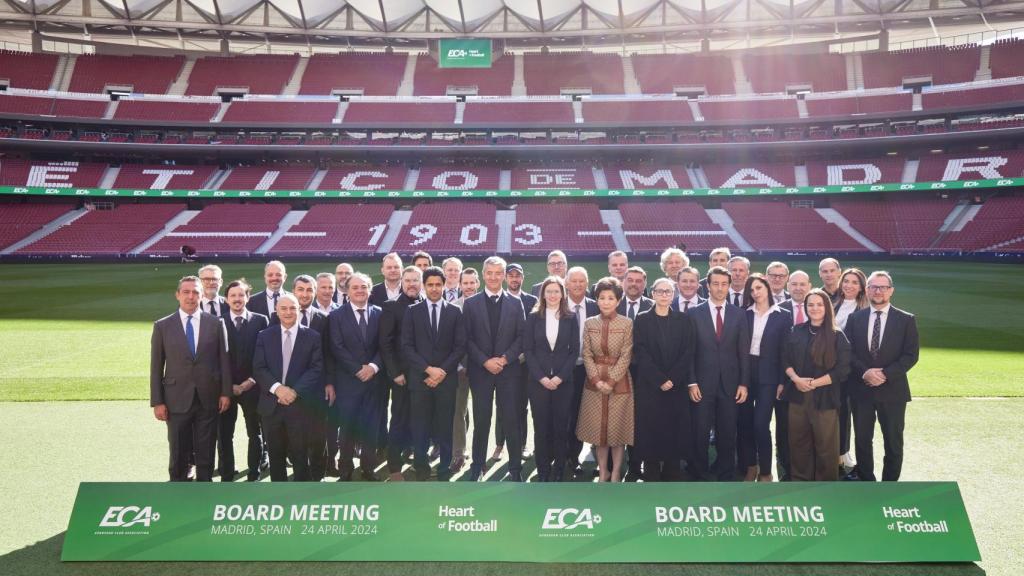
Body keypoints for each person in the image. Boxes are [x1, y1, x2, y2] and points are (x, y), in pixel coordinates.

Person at [150, 276, 231, 482]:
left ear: (202, 295)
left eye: (196, 292)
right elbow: (156, 367)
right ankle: (177, 488)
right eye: (186, 292)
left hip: (209, 397)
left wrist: (225, 393)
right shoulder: (162, 326)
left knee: (206, 450)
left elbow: (224, 361)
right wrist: (157, 401)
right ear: (177, 295)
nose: (191, 296)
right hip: (175, 398)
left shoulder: (215, 323)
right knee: (178, 450)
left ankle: (205, 489)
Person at [845, 271, 919, 482]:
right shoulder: (855, 318)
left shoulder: (906, 319)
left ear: (891, 290)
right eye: (873, 287)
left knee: (893, 442)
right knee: (862, 441)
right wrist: (865, 372)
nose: (878, 291)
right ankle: (867, 482)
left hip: (893, 391)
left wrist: (885, 374)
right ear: (866, 290)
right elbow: (848, 352)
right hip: (861, 389)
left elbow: (911, 355)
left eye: (882, 287)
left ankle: (890, 486)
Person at [253, 294, 330, 482]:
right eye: (284, 308)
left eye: (292, 308)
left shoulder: (312, 336)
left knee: (300, 453)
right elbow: (258, 367)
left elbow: (316, 368)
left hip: (300, 404)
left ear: (298, 310)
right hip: (272, 405)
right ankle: (279, 490)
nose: (288, 312)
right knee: (276, 454)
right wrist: (278, 389)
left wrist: (294, 391)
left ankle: (300, 492)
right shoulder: (265, 336)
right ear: (277, 311)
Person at [462, 256, 526, 481]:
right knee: (482, 421)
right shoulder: (470, 304)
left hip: (509, 372)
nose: (493, 277)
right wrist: (485, 361)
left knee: (511, 420)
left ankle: (515, 469)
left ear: (504, 275)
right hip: (481, 372)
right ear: (483, 275)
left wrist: (505, 359)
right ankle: (477, 467)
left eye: (498, 273)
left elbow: (521, 336)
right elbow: (466, 339)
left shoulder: (515, 302)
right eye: (489, 273)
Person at [401, 266, 466, 481]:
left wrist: (442, 371)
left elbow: (459, 346)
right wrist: (429, 370)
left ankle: (445, 469)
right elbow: (407, 346)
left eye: (438, 284)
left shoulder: (455, 312)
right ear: (424, 286)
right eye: (430, 284)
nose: (435, 288)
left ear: (444, 285)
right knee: (420, 426)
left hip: (446, 382)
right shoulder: (412, 312)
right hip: (420, 381)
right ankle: (421, 467)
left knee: (445, 426)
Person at [782, 289, 851, 481]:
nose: (815, 308)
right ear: (805, 307)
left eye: (819, 304)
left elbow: (842, 370)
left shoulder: (837, 335)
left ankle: (825, 486)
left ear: (827, 307)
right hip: (797, 395)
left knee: (826, 446)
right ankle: (800, 481)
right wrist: (796, 379)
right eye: (810, 304)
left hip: (825, 398)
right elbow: (785, 360)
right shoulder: (797, 330)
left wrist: (813, 383)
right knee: (798, 443)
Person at [688, 266, 750, 482]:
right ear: (708, 286)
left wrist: (744, 383)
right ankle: (699, 474)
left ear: (729, 286)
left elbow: (743, 352)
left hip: (731, 385)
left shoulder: (739, 314)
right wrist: (692, 382)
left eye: (724, 284)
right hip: (702, 385)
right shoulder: (694, 313)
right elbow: (690, 352)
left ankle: (725, 473)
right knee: (699, 432)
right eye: (716, 283)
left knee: (727, 433)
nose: (720, 288)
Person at [632, 277, 696, 482]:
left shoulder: (684, 320)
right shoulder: (642, 319)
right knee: (650, 428)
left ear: (674, 294)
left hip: (675, 387)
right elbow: (640, 351)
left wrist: (673, 378)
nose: (664, 295)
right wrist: (660, 379)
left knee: (674, 428)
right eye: (660, 291)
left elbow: (688, 351)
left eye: (668, 291)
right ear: (652, 294)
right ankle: (650, 471)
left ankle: (672, 470)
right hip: (650, 386)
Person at [274, 275, 332, 480]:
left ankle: (317, 476)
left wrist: (328, 382)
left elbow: (328, 354)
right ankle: (298, 475)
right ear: (294, 291)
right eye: (301, 289)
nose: (305, 294)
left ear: (314, 292)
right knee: (291, 437)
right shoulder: (279, 316)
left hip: (315, 388)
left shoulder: (323, 318)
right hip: (287, 390)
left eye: (309, 290)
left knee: (317, 436)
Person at [328, 272, 384, 481]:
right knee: (347, 430)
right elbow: (336, 346)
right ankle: (345, 470)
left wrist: (373, 367)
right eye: (355, 287)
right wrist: (357, 369)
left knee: (371, 429)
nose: (360, 291)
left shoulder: (380, 313)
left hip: (374, 382)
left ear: (370, 290)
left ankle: (369, 469)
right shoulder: (336, 315)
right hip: (348, 383)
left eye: (364, 287)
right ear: (347, 291)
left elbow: (385, 345)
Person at [523, 276, 579, 481]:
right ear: (543, 294)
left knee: (561, 428)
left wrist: (559, 378)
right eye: (549, 291)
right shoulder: (533, 317)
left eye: (556, 291)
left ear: (562, 293)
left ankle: (559, 471)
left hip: (563, 383)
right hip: (538, 383)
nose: (553, 295)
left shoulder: (571, 317)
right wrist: (542, 378)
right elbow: (528, 350)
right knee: (541, 428)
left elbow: (574, 352)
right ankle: (543, 469)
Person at [578, 277, 634, 482]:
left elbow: (627, 354)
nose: (606, 301)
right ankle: (603, 471)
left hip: (620, 382)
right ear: (597, 300)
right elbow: (587, 354)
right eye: (602, 297)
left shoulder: (627, 323)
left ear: (618, 301)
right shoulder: (589, 323)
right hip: (593, 384)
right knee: (599, 433)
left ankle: (617, 472)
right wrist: (595, 379)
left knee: (617, 430)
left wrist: (610, 381)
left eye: (611, 298)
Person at [739, 274, 791, 483]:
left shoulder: (783, 315)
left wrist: (781, 380)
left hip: (770, 376)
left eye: (759, 288)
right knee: (745, 423)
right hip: (745, 373)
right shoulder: (744, 314)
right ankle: (751, 466)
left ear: (768, 288)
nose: (755, 293)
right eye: (751, 290)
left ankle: (766, 471)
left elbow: (785, 351)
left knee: (761, 424)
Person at [220, 279, 270, 482]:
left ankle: (254, 472)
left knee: (254, 432)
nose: (237, 299)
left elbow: (266, 356)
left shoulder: (261, 320)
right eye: (233, 295)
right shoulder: (218, 322)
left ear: (248, 297)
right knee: (224, 434)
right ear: (226, 299)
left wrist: (250, 381)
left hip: (253, 386)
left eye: (241, 295)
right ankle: (227, 473)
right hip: (226, 388)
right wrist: (228, 385)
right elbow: (216, 358)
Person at [378, 266, 423, 481]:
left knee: (421, 420)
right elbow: (385, 343)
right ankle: (394, 466)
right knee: (398, 419)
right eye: (408, 280)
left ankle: (417, 461)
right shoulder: (391, 307)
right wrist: (395, 372)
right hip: (402, 377)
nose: (412, 284)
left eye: (416, 280)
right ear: (402, 283)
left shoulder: (427, 303)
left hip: (425, 376)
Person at [775, 270, 812, 480]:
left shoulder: (819, 308)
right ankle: (786, 469)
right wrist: (783, 380)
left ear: (809, 285)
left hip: (814, 381)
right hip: (785, 381)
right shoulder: (779, 311)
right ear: (788, 287)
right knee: (784, 427)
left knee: (809, 428)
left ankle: (807, 469)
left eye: (802, 284)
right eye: (794, 284)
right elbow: (776, 350)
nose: (798, 288)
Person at [496, 262, 535, 462]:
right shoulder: (499, 300)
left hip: (526, 364)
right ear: (505, 278)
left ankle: (522, 444)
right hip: (504, 362)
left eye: (517, 275)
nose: (514, 279)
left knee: (522, 406)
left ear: (522, 278)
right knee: (502, 405)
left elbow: (532, 332)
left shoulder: (532, 301)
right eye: (510, 275)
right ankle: (499, 444)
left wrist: (523, 355)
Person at [565, 266, 599, 476]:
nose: (577, 285)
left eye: (581, 281)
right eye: (573, 281)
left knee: (586, 414)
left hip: (590, 370)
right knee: (566, 414)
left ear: (587, 284)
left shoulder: (596, 307)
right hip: (564, 370)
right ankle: (566, 456)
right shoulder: (557, 306)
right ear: (566, 283)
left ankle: (579, 454)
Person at [834, 267, 868, 474]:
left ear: (862, 287)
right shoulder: (833, 304)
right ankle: (836, 453)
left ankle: (845, 454)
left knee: (850, 414)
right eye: (846, 281)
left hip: (853, 371)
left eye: (854, 282)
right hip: (833, 370)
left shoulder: (865, 309)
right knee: (836, 412)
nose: (849, 285)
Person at [450, 267, 480, 473]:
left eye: (472, 283)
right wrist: (459, 365)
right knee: (458, 412)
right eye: (465, 283)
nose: (469, 287)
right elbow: (451, 341)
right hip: (460, 370)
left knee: (481, 412)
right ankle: (458, 454)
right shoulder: (453, 307)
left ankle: (480, 455)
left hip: (483, 368)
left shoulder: (486, 304)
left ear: (477, 283)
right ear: (460, 284)